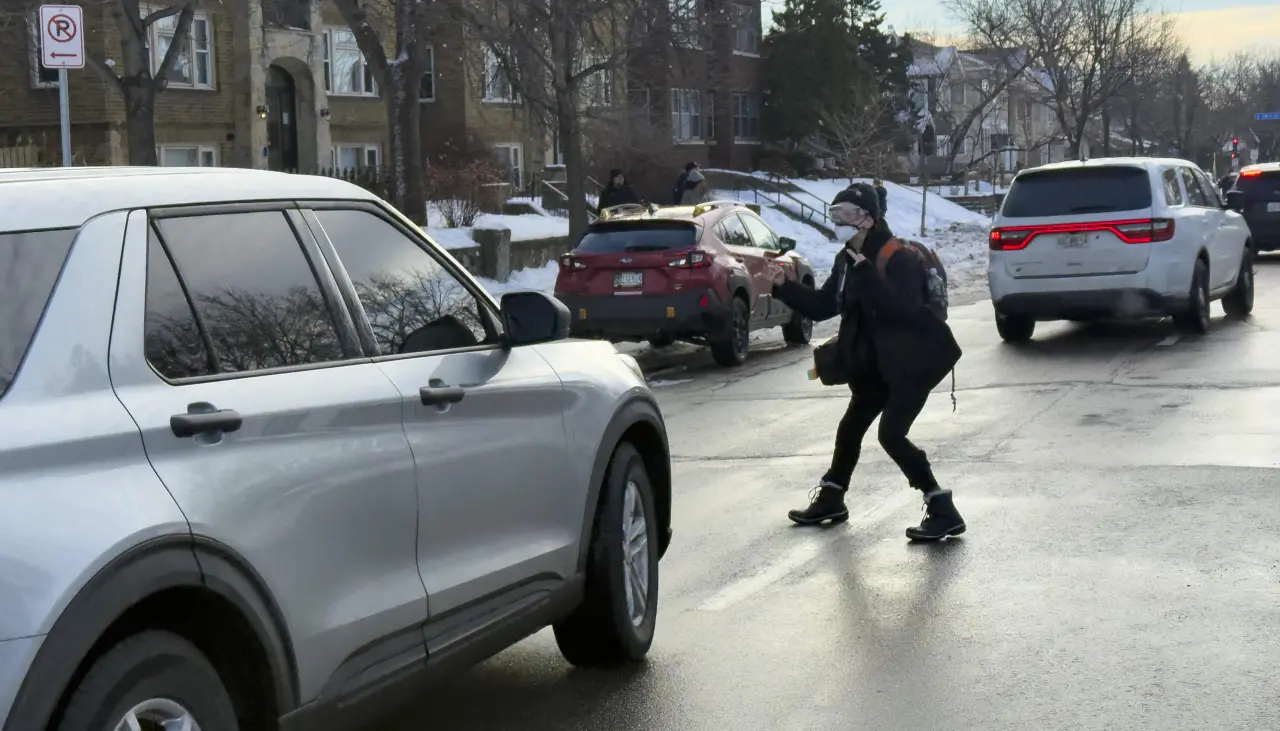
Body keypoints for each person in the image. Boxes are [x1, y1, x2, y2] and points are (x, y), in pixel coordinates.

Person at [768, 183, 965, 541]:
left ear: (868, 219)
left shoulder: (897, 257)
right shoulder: (847, 261)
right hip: (876, 367)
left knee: (891, 434)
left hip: (912, 363)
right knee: (851, 427)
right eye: (834, 214)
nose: (838, 222)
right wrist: (785, 287)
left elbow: (905, 309)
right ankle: (832, 497)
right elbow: (827, 305)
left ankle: (941, 507)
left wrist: (869, 278)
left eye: (846, 214)